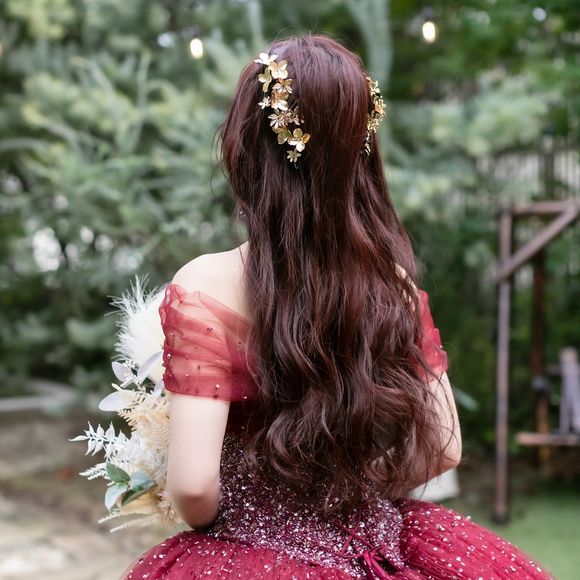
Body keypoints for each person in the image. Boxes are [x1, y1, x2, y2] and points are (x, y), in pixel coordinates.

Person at [121, 35, 552, 579]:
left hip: (252, 557)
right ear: (360, 150)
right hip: (373, 543)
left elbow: (193, 486)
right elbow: (444, 448)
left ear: (246, 148)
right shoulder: (392, 285)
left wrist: (249, 521)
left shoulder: (206, 283)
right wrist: (354, 501)